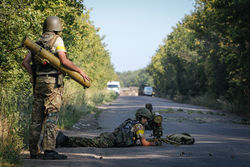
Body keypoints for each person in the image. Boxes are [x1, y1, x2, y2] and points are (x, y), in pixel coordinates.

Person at [22, 16, 90, 160]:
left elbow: (25, 63)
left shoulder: (36, 42)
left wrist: (35, 75)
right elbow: (63, 61)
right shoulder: (57, 40)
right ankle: (49, 150)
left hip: (38, 82)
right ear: (57, 27)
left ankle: (33, 151)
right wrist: (79, 71)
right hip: (53, 83)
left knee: (36, 118)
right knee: (51, 116)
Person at [56, 108, 161, 148]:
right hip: (111, 140)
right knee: (87, 143)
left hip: (110, 136)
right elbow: (144, 143)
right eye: (145, 119)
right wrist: (155, 143)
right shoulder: (139, 126)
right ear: (140, 117)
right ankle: (64, 140)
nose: (146, 121)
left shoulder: (131, 121)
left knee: (89, 141)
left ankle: (63, 140)